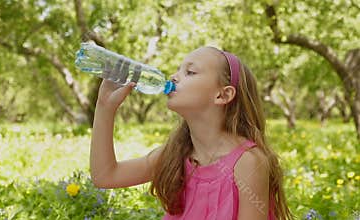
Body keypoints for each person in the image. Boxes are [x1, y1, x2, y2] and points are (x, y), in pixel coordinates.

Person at [90, 46, 294, 219]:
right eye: (179, 70)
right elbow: (106, 176)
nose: (173, 77)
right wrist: (105, 107)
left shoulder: (248, 162)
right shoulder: (175, 154)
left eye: (190, 72)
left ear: (223, 94)